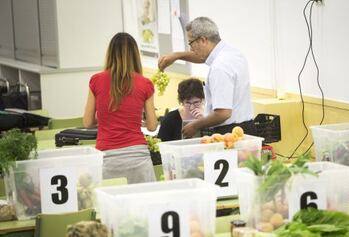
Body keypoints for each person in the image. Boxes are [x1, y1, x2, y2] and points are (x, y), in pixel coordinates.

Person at [158, 16, 255, 138]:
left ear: (203, 40)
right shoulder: (232, 53)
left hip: (229, 133)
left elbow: (223, 113)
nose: (191, 48)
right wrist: (177, 56)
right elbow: (201, 57)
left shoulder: (219, 67)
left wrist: (195, 125)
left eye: (191, 43)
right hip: (246, 129)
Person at [83, 32, 157, 184]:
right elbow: (152, 126)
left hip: (107, 159)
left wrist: (106, 117)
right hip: (138, 158)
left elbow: (87, 122)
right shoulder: (145, 83)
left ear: (110, 54)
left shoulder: (96, 80)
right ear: (135, 55)